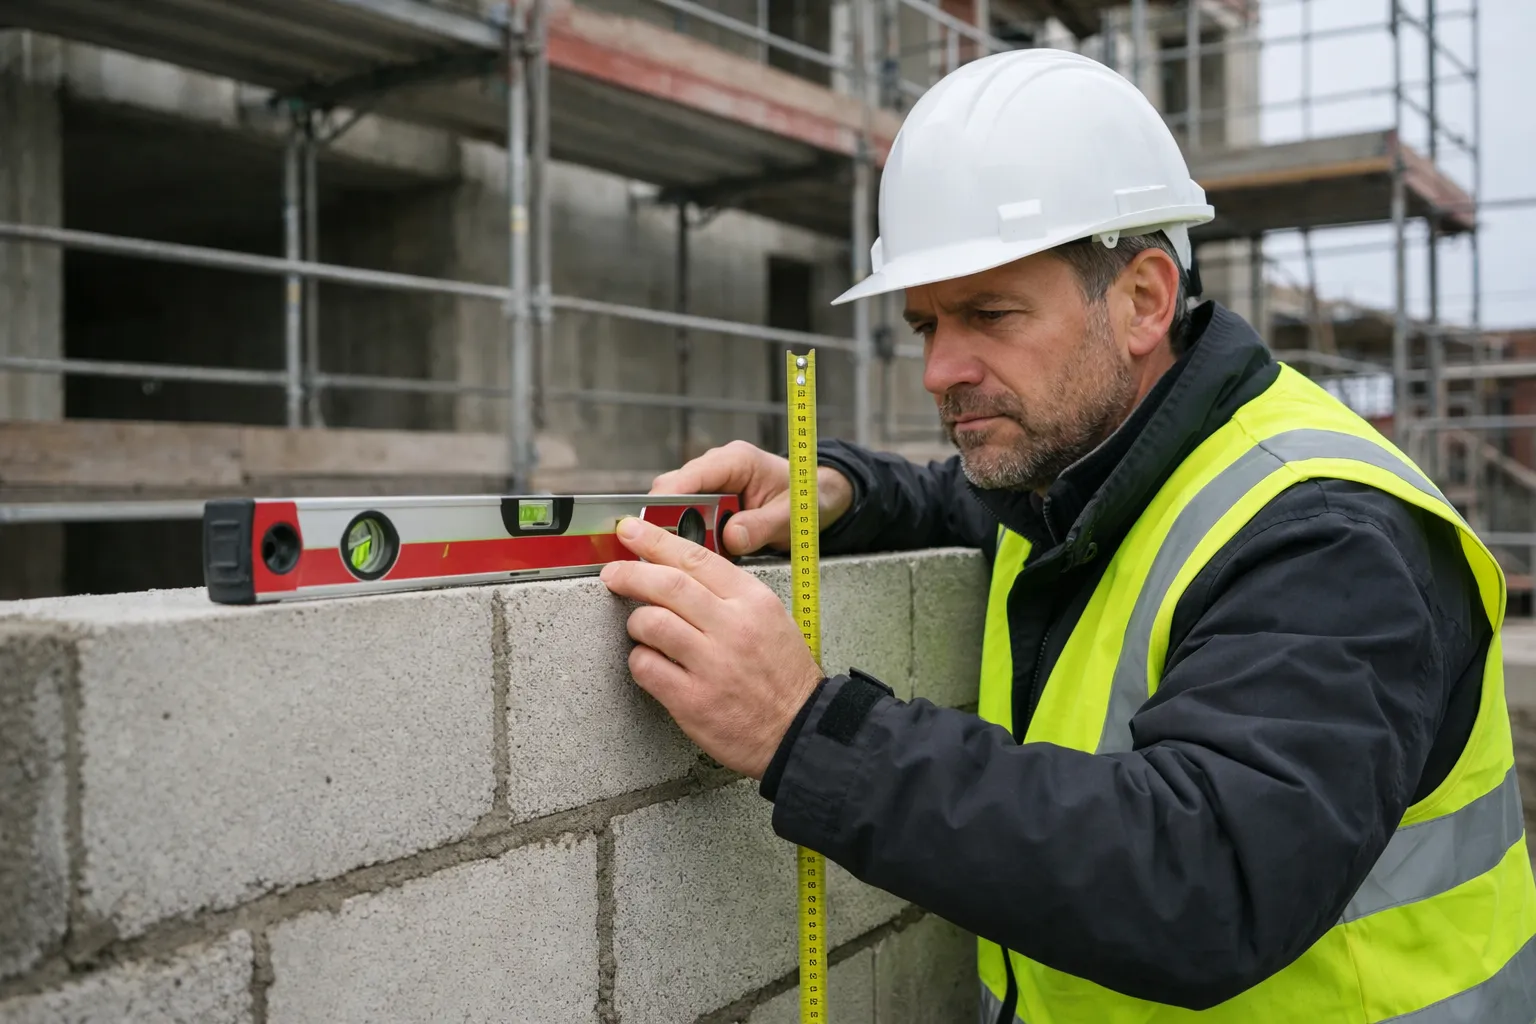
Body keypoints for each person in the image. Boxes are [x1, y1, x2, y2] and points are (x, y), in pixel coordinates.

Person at [598, 47, 1536, 1023]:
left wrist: (805, 729)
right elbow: (962, 501)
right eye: (924, 325)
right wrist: (839, 489)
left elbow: (1209, 879)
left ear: (1142, 300)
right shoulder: (1089, 467)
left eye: (989, 314)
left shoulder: (1326, 534)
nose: (940, 369)